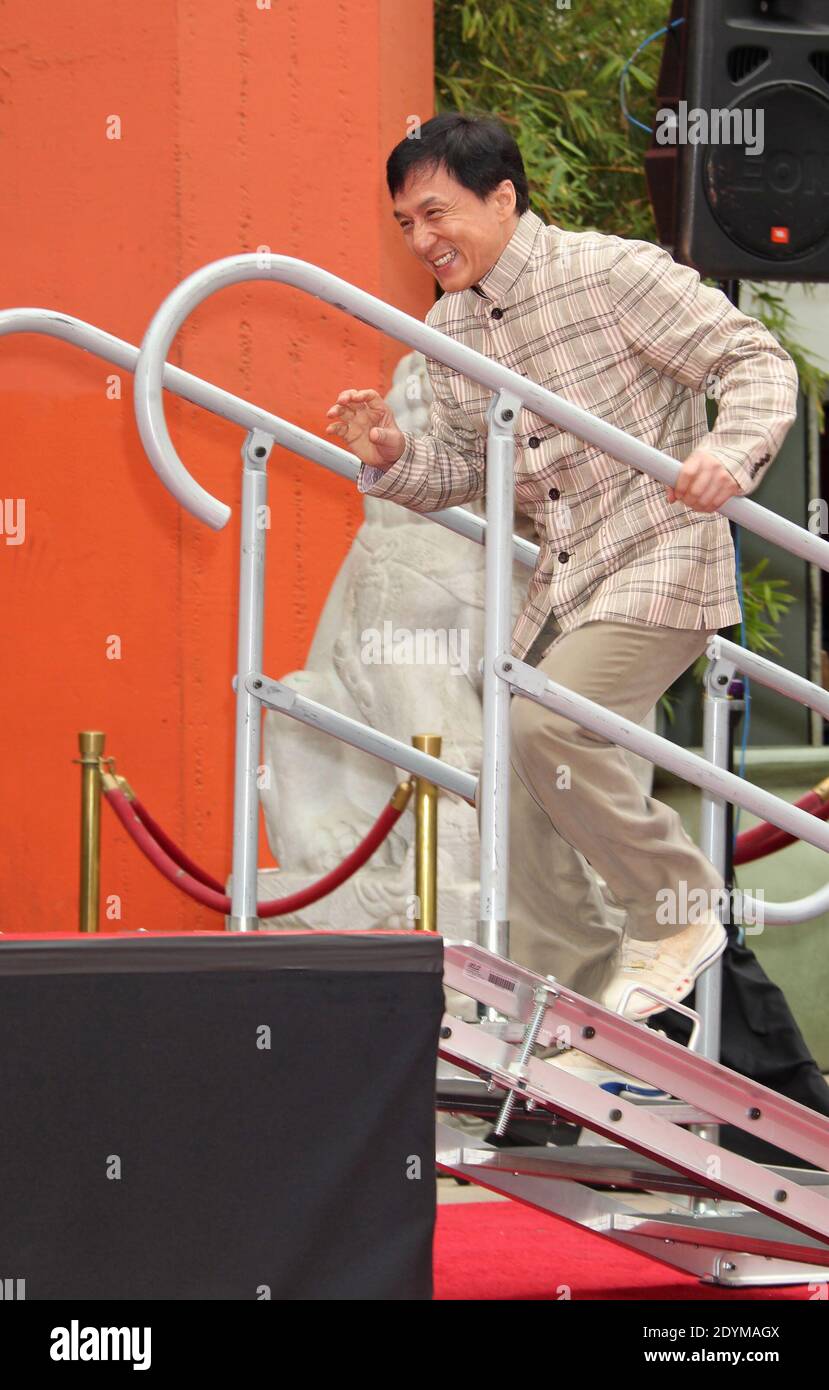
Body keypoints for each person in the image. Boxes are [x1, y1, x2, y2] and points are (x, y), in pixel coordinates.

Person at [325, 111, 799, 1044]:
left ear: (502, 197)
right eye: (404, 226)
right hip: (566, 580)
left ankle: (678, 908)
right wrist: (390, 452)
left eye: (435, 214)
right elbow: (464, 469)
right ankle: (574, 1007)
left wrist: (728, 454)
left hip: (660, 552)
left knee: (547, 724)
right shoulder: (448, 327)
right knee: (517, 765)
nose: (421, 241)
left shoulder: (610, 272)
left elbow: (754, 357)